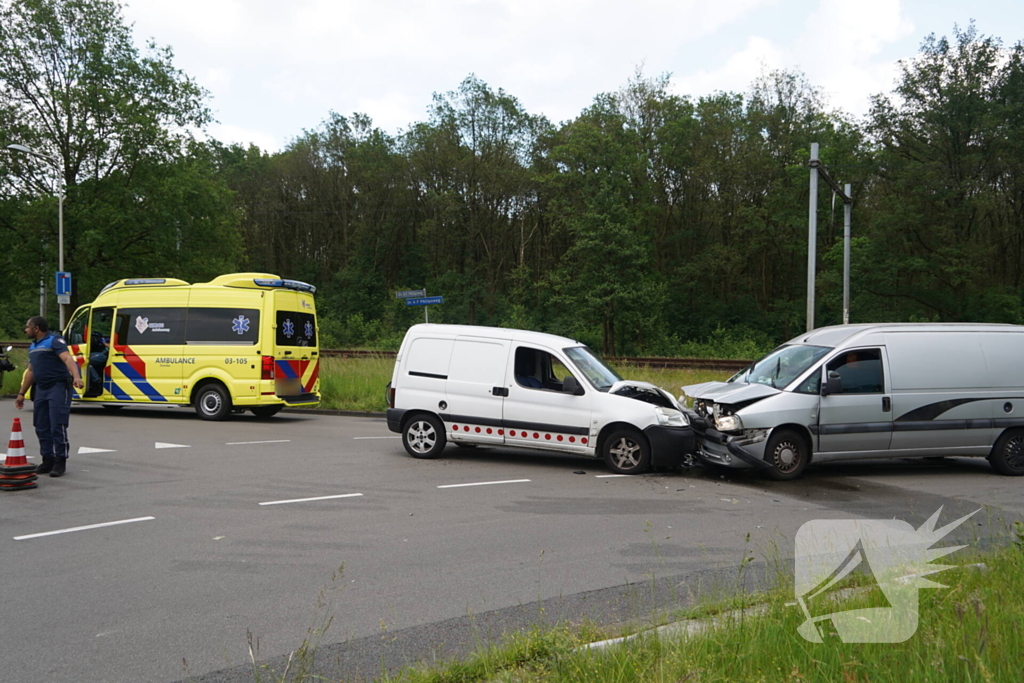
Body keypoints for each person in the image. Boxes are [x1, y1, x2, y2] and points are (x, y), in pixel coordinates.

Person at [14, 316, 84, 477]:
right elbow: (31, 371)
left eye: (27, 327)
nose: (26, 330)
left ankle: (60, 461)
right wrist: (21, 393)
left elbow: (67, 358)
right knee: (41, 426)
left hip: (58, 387)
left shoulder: (54, 341)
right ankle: (47, 459)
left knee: (57, 425)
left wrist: (76, 377)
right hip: (41, 389)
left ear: (36, 328)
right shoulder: (33, 346)